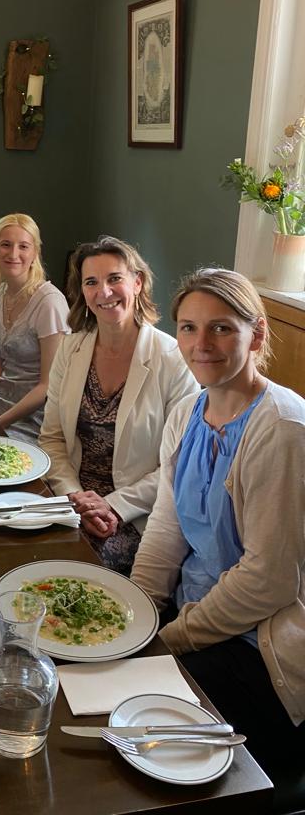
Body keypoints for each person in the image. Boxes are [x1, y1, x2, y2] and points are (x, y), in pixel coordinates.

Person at [132, 268, 305, 785]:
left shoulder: (280, 428)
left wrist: (169, 640)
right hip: (193, 620)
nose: (200, 344)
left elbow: (269, 580)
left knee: (148, 741)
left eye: (222, 328)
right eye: (188, 327)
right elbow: (166, 527)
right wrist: (135, 617)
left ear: (258, 334)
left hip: (263, 647)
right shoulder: (188, 413)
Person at [38, 235, 196, 574]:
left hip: (137, 512)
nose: (104, 292)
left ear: (137, 282)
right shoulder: (71, 349)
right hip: (72, 500)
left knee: (75, 570)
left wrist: (112, 505)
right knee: (20, 552)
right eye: (91, 282)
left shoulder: (172, 358)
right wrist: (77, 499)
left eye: (115, 279)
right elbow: (51, 438)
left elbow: (178, 465)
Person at [0, 214, 69, 442]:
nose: (13, 254)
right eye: (5, 245)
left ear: (35, 254)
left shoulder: (49, 303)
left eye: (23, 246)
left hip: (35, 420)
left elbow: (48, 386)